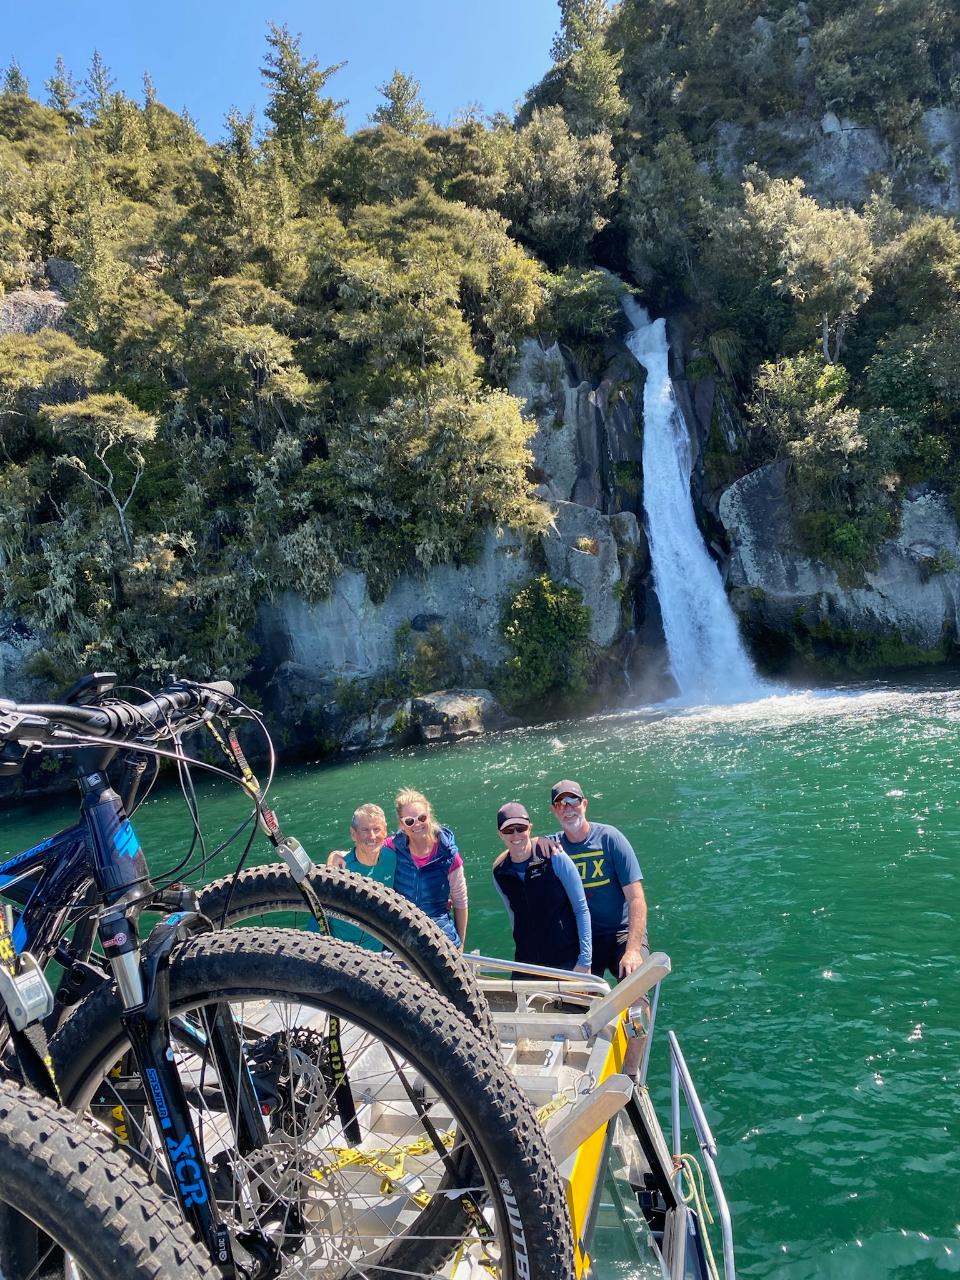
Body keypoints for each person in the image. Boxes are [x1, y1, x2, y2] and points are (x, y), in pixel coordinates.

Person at [549, 779, 648, 982]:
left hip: (621, 933)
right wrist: (535, 840)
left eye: (573, 801)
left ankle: (639, 1011)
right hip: (583, 938)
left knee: (635, 985)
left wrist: (633, 950)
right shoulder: (551, 847)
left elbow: (636, 899)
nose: (568, 808)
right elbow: (515, 851)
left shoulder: (611, 839)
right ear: (554, 810)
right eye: (561, 803)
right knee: (574, 997)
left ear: (584, 804)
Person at [491, 802, 592, 975]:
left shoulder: (554, 857)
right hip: (526, 963)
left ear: (530, 828)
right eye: (509, 830)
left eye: (521, 828)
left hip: (566, 960)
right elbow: (513, 916)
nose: (516, 835)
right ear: (500, 834)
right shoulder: (500, 872)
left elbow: (581, 909)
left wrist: (585, 961)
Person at [384, 789, 468, 948]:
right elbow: (367, 851)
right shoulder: (392, 847)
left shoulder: (449, 855)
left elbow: (460, 902)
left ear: (429, 816)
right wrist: (338, 854)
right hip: (402, 934)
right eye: (409, 821)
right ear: (402, 824)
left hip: (440, 936)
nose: (417, 824)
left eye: (421, 818)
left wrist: (461, 945)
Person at [319, 803, 396, 950]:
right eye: (365, 830)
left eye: (377, 829)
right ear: (353, 834)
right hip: (341, 949)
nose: (372, 836)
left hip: (376, 948)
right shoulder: (341, 869)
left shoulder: (391, 858)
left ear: (385, 831)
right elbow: (320, 913)